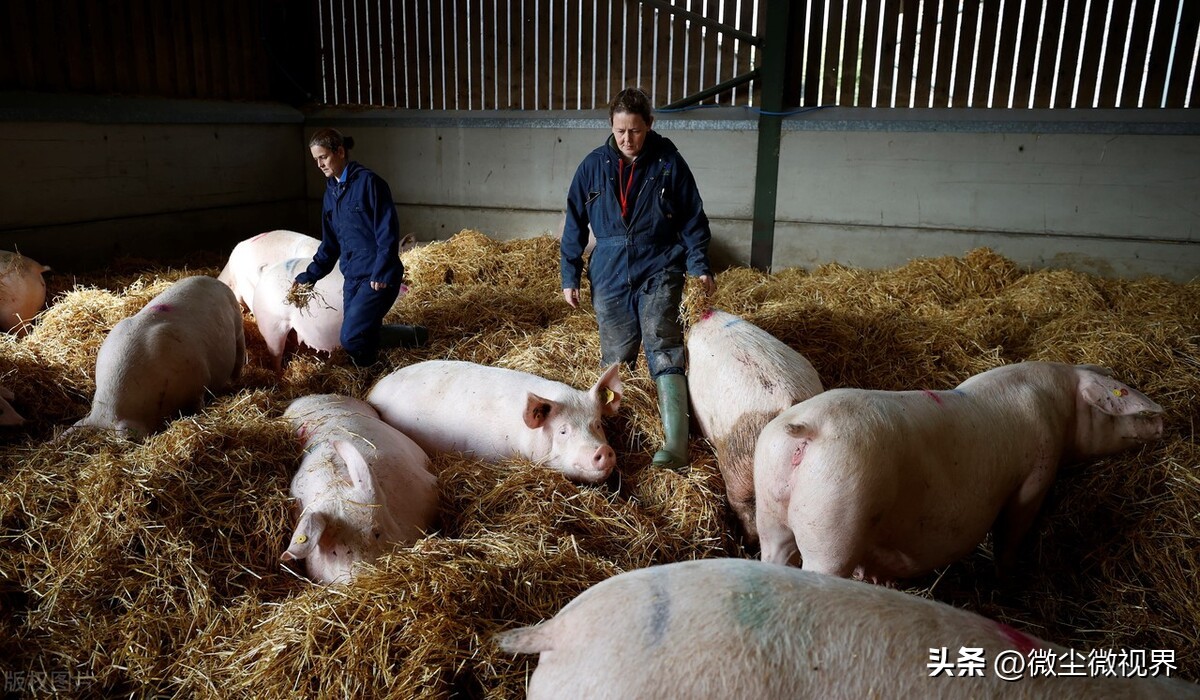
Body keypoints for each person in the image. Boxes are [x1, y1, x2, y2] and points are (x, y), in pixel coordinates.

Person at [560, 87, 716, 470]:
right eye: (620, 131)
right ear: (611, 128)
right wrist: (570, 273)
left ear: (650, 124)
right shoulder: (592, 166)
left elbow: (693, 219)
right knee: (616, 354)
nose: (627, 140)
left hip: (660, 261)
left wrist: (699, 265)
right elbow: (574, 222)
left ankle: (675, 443)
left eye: (635, 131)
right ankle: (618, 435)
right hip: (609, 269)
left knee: (662, 339)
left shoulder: (669, 163)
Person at [294, 128, 428, 368]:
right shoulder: (331, 193)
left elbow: (387, 231)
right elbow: (330, 244)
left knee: (351, 337)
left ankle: (400, 348)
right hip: (352, 276)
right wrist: (309, 277)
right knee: (360, 335)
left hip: (377, 277)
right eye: (315, 160)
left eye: (323, 157)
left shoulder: (369, 183)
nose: (319, 165)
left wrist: (382, 271)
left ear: (341, 151)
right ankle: (381, 365)